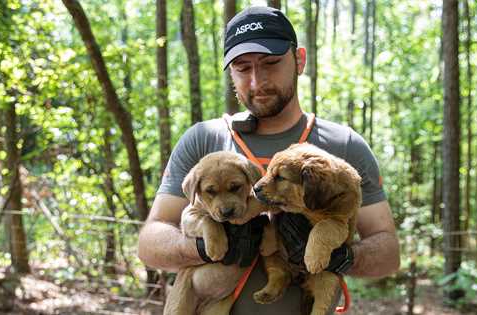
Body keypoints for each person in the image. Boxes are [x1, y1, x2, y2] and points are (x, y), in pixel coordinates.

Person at [138, 6, 400, 314]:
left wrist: (341, 255)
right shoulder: (204, 140)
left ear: (299, 60)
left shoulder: (343, 147)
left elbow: (388, 253)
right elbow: (149, 244)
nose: (256, 81)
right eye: (242, 68)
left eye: (271, 63)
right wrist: (202, 246)